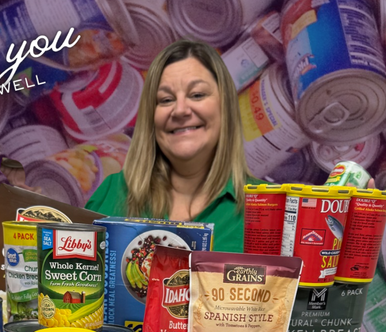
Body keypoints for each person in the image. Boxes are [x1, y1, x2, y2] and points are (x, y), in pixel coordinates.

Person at [86, 39, 261, 253]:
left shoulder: (268, 207)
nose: (180, 110)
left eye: (197, 95)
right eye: (166, 99)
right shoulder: (111, 193)